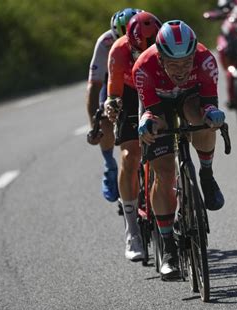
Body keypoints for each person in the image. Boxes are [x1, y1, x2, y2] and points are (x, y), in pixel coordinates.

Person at [131, 20, 226, 280]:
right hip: (157, 104)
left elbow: (208, 103)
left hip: (191, 98)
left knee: (202, 119)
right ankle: (168, 246)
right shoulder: (143, 67)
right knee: (163, 171)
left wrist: (213, 114)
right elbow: (150, 111)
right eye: (173, 64)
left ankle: (206, 174)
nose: (181, 69)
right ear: (160, 56)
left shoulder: (206, 61)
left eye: (186, 62)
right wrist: (146, 125)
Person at [104, 12, 162, 261]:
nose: (147, 57)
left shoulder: (166, 43)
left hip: (160, 87)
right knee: (129, 155)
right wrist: (112, 106)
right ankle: (132, 230)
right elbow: (113, 93)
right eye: (141, 53)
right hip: (129, 92)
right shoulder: (118, 51)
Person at [86, 8, 142, 207]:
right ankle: (110, 165)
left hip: (145, 78)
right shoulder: (105, 43)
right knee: (105, 120)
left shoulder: (152, 32)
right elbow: (94, 86)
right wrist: (95, 125)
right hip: (115, 81)